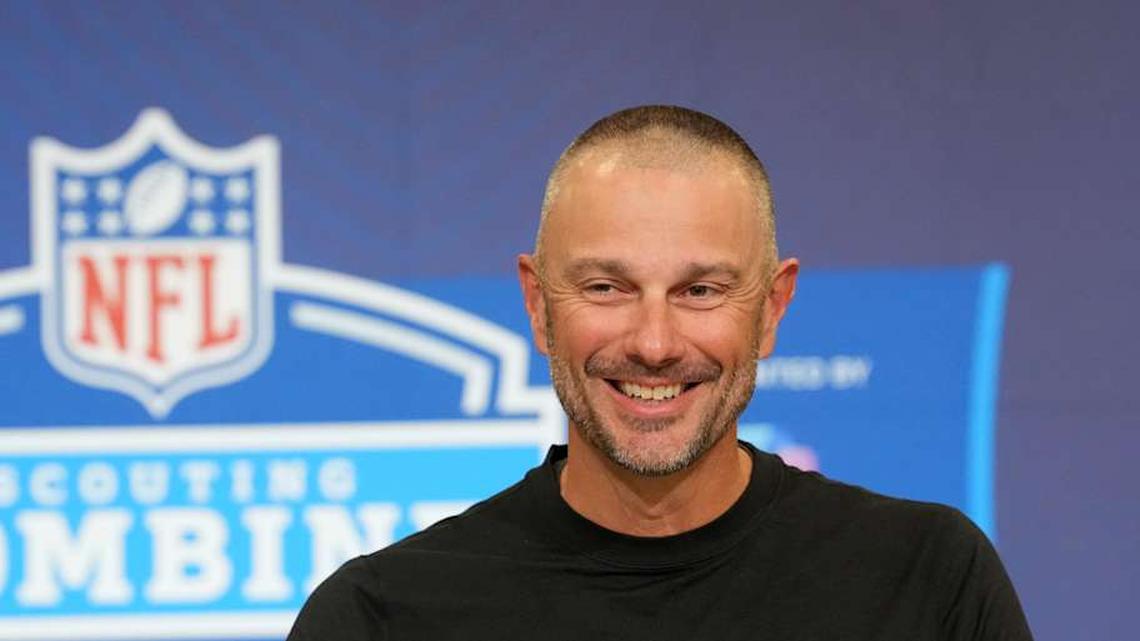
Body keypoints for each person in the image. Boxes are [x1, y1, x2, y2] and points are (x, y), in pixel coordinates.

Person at [287, 105, 1033, 640]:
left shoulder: (928, 579)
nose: (653, 342)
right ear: (538, 304)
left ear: (772, 308)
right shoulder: (382, 613)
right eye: (606, 287)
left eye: (700, 290)